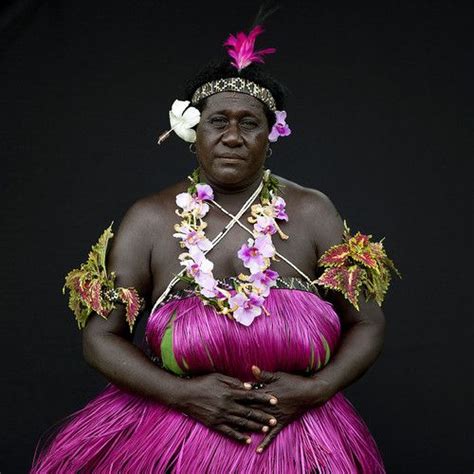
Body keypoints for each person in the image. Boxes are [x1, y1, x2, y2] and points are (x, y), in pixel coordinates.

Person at [31, 24, 398, 473]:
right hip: (172, 434)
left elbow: (368, 324)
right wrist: (184, 395)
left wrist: (316, 389)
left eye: (250, 124)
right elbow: (100, 338)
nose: (232, 136)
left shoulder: (312, 213)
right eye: (217, 121)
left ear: (271, 135)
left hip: (301, 438)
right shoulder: (150, 219)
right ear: (193, 131)